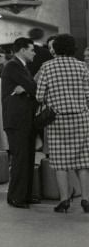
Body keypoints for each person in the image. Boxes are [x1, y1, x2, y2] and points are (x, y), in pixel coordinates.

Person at [36, 33, 89, 213]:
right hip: (81, 118)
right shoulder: (82, 66)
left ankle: (64, 200)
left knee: (60, 162)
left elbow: (39, 96)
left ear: (55, 48)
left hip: (58, 119)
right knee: (83, 161)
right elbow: (88, 95)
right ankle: (86, 200)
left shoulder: (47, 67)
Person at [1, 37, 38, 209]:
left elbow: (29, 87)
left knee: (27, 157)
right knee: (20, 159)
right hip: (17, 120)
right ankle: (17, 197)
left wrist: (26, 87)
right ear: (22, 50)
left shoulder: (21, 67)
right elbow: (34, 87)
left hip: (24, 119)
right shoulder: (14, 65)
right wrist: (28, 87)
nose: (34, 52)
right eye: (31, 49)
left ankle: (24, 195)